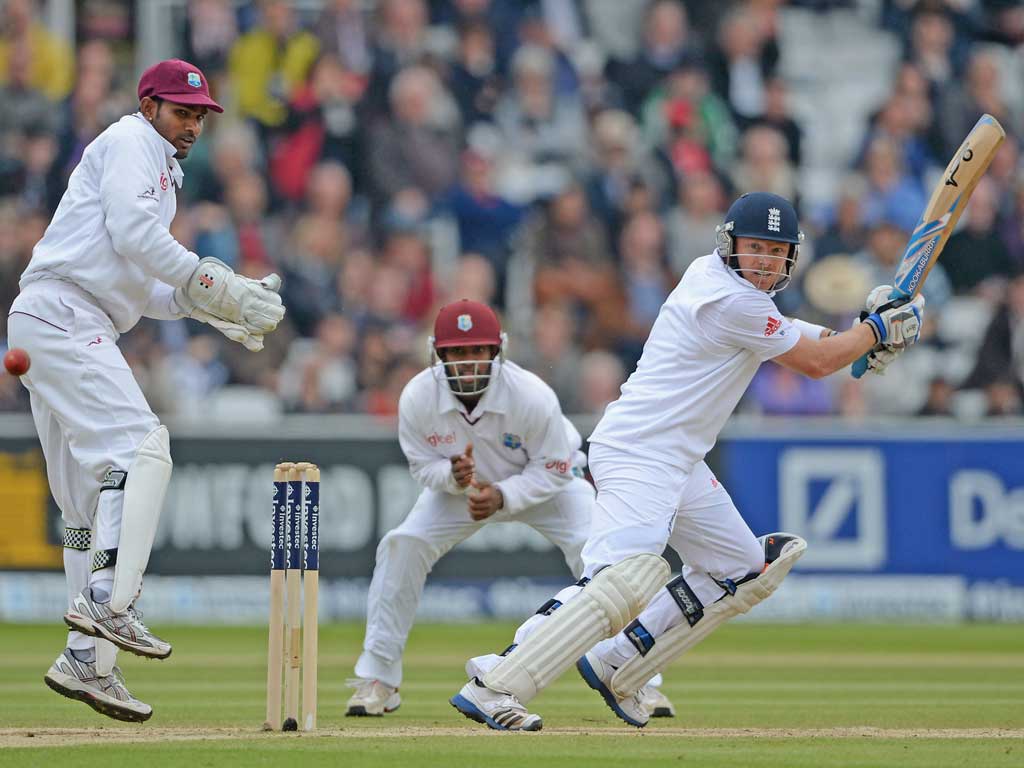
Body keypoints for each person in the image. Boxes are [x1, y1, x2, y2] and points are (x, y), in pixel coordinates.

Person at [449, 192, 924, 730]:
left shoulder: (738, 295)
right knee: (622, 579)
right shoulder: (728, 299)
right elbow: (814, 360)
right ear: (732, 246)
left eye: (776, 250)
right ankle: (496, 681)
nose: (765, 260)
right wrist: (878, 332)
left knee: (743, 569)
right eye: (755, 248)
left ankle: (617, 663)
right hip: (640, 451)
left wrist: (867, 331)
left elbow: (808, 338)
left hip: (678, 460)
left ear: (791, 258)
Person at [7, 59, 286, 723]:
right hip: (65, 314)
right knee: (141, 448)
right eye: (181, 111)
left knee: (81, 505)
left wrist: (213, 307)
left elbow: (144, 287)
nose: (191, 124)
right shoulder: (131, 142)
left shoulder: (161, 170)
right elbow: (139, 239)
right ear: (149, 105)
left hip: (61, 317)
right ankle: (109, 600)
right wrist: (218, 286)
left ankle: (87, 660)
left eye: (198, 115)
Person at [344, 299, 677, 723]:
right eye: (458, 353)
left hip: (547, 486)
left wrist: (502, 495)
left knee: (608, 560)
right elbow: (419, 465)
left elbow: (557, 467)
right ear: (439, 354)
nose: (468, 363)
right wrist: (452, 476)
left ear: (496, 351)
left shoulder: (531, 395)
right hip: (461, 492)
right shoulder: (417, 397)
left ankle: (638, 677)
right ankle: (379, 679)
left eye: (477, 351)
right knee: (402, 543)